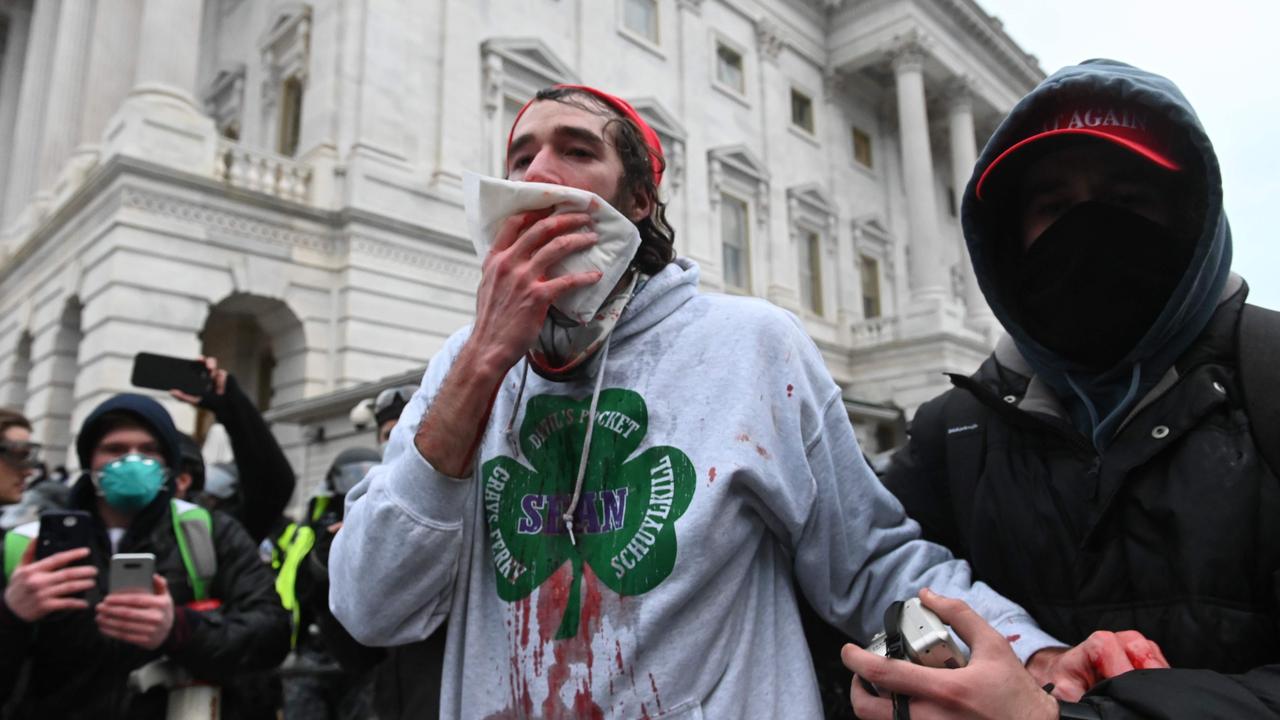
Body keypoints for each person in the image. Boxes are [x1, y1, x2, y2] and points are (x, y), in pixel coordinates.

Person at [327, 84, 1138, 718]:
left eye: (575, 151)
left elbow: (868, 560)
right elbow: (370, 608)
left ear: (638, 202)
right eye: (521, 155)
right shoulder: (458, 371)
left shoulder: (753, 346)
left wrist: (1029, 652)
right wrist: (479, 367)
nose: (535, 176)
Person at [855, 59, 1280, 718]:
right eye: (1053, 206)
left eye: (1126, 199)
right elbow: (863, 591)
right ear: (1007, 241)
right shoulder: (953, 432)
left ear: (1188, 215)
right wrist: (909, 672)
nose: (1090, 232)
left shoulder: (1271, 380)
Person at [0, 393, 290, 718]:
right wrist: (12, 615)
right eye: (115, 449)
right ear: (89, 461)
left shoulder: (209, 531)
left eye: (149, 450)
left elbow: (272, 633)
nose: (133, 461)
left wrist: (180, 629)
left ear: (169, 463)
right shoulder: (26, 545)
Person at [278, 447, 386, 720]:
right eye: (351, 475)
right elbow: (297, 586)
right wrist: (323, 557)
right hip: (313, 651)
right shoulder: (315, 525)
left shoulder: (385, 516)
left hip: (365, 654)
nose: (358, 481)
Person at [169, 356, 296, 543]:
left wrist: (230, 404)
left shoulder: (214, 532)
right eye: (115, 450)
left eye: (148, 451)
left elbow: (272, 484)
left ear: (184, 480)